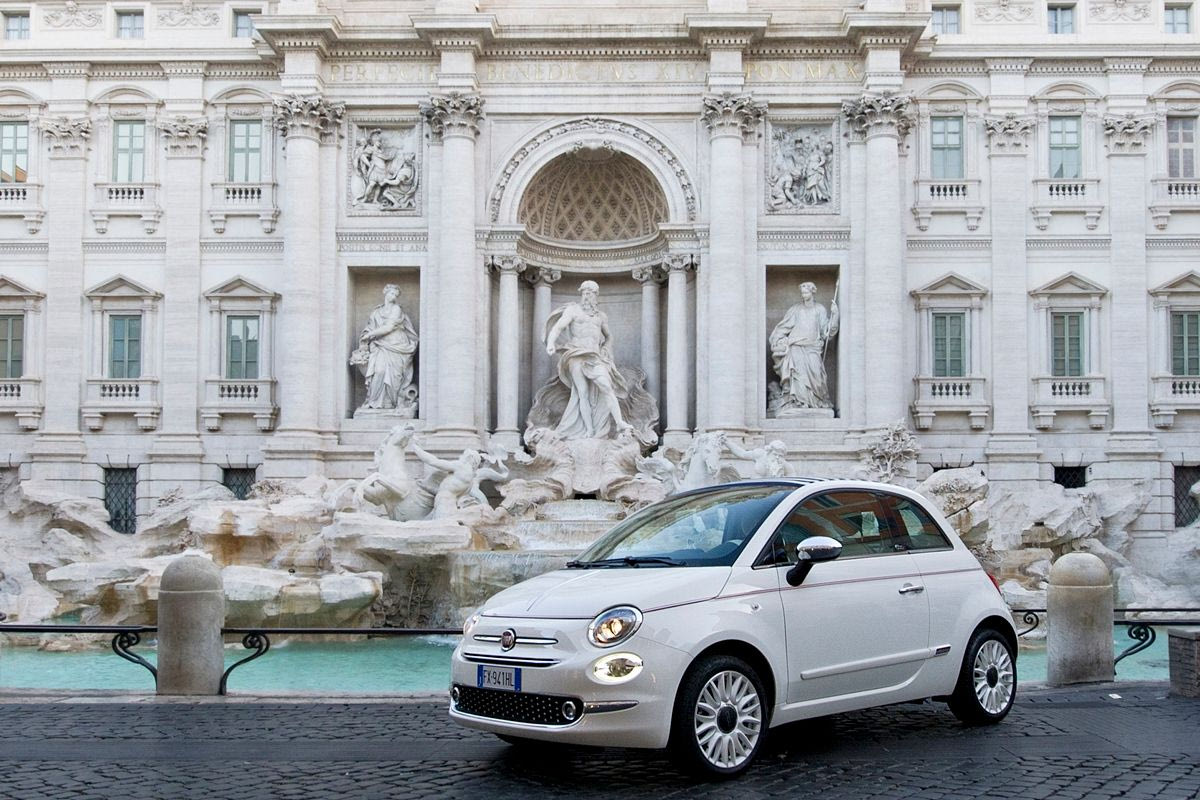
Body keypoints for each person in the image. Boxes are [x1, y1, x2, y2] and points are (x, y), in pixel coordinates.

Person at [543, 280, 633, 439]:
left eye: (590, 293)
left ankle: (619, 422)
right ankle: (589, 430)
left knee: (607, 386)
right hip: (576, 354)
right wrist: (551, 343)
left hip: (595, 356)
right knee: (582, 392)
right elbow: (558, 327)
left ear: (596, 295)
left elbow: (609, 336)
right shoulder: (573, 310)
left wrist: (606, 348)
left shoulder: (601, 316)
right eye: (584, 293)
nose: (586, 296)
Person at [769, 281, 839, 410]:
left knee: (817, 375)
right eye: (802, 293)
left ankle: (816, 402)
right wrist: (777, 339)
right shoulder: (795, 309)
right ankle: (799, 403)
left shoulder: (819, 309)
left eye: (806, 292)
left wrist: (835, 316)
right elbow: (783, 327)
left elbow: (827, 332)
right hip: (796, 347)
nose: (803, 295)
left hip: (813, 348)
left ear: (812, 292)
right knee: (798, 376)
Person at [353, 284, 418, 411]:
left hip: (397, 345)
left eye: (396, 295)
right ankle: (374, 402)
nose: (394, 296)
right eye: (391, 293)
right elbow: (369, 327)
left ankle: (391, 404)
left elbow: (389, 327)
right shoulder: (376, 312)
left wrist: (370, 335)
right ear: (385, 293)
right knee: (379, 371)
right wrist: (366, 336)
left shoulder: (396, 309)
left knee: (395, 376)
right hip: (380, 345)